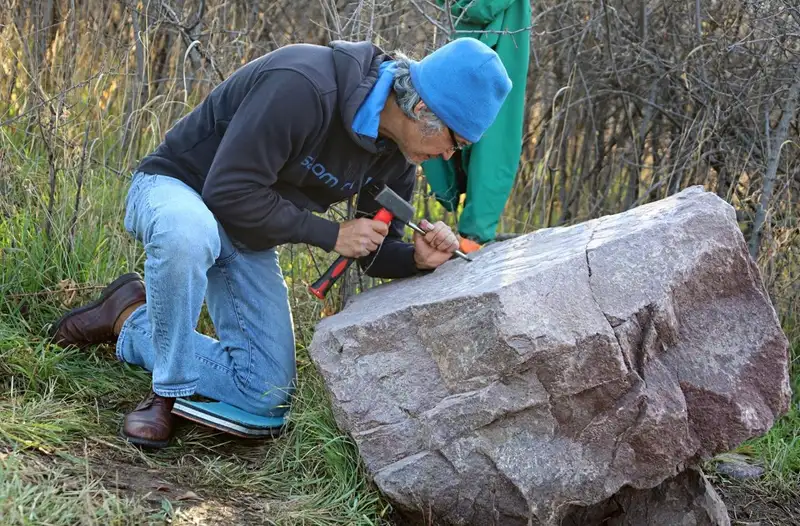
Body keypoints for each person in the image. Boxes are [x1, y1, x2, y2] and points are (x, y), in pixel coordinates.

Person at [48, 37, 512, 448]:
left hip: (247, 231)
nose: (449, 156)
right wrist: (331, 234)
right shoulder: (305, 85)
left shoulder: (395, 160)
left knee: (266, 392)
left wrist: (415, 256)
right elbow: (226, 189)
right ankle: (166, 393)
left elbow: (369, 254)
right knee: (189, 234)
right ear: (424, 110)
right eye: (456, 142)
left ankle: (129, 318)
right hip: (180, 189)